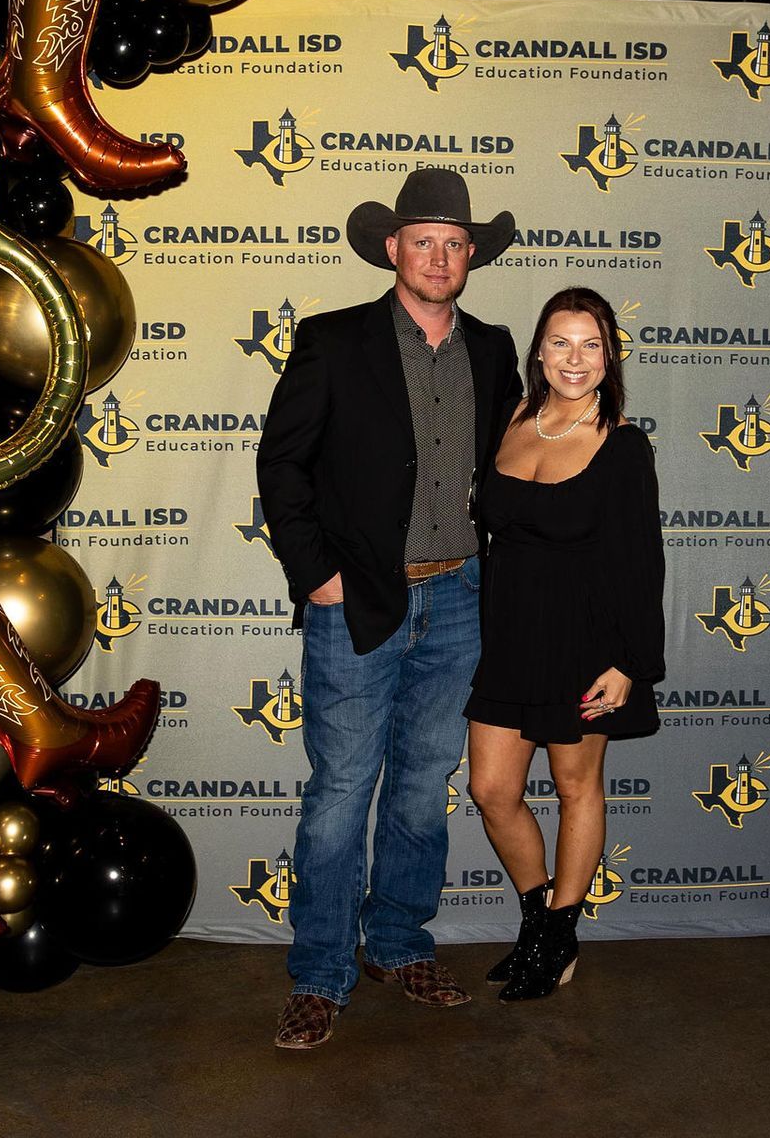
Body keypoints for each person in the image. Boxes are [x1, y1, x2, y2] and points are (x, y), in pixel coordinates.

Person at [256, 168, 522, 1049]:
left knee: (421, 787)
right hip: (357, 601)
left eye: (454, 243)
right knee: (340, 792)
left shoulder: (492, 347)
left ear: (470, 255)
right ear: (392, 249)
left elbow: (508, 475)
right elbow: (281, 465)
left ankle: (399, 944)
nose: (439, 257)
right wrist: (315, 574)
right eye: (423, 242)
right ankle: (321, 973)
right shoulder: (334, 341)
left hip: (460, 598)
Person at [464, 287, 665, 1001]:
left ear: (609, 356)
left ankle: (557, 935)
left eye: (590, 344)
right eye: (560, 342)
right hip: (510, 636)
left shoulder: (622, 445)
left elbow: (644, 561)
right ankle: (538, 919)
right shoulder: (514, 419)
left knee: (577, 788)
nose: (573, 359)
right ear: (538, 352)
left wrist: (630, 663)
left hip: (586, 642)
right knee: (492, 790)